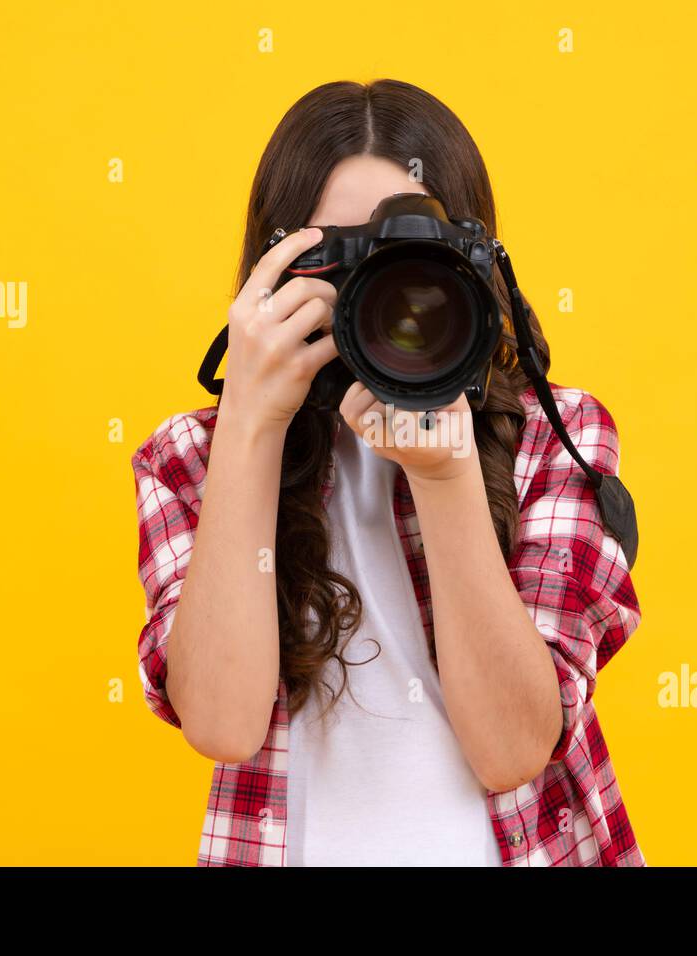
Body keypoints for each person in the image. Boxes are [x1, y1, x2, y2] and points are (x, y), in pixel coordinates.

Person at [131, 78, 646, 866]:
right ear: (272, 270)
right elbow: (222, 727)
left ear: (476, 268)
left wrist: (446, 477)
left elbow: (514, 747)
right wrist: (250, 426)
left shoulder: (559, 435)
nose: (386, 295)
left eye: (409, 257)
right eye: (340, 258)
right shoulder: (195, 456)